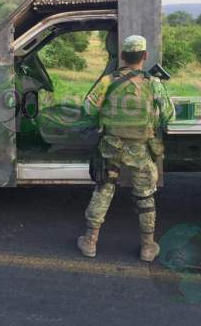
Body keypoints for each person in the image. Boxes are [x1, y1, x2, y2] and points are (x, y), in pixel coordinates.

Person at [77, 35, 175, 261]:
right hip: (141, 149)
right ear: (145, 56)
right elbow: (170, 114)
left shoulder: (108, 81)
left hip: (111, 146)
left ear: (122, 56)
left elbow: (88, 109)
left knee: (104, 189)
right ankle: (148, 248)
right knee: (145, 197)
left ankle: (90, 242)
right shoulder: (154, 83)